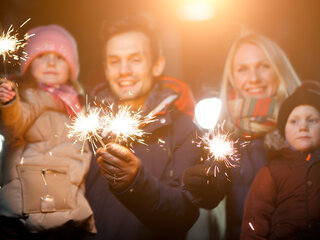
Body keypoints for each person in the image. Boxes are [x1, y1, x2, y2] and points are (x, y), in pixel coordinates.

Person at [84, 15, 201, 239]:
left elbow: (183, 214)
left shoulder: (183, 129)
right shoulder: (88, 125)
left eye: (135, 59)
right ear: (105, 68)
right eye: (114, 61)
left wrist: (136, 182)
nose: (124, 71)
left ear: (157, 65)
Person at [183, 31, 301, 239]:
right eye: (243, 69)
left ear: (279, 69)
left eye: (264, 66)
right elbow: (214, 199)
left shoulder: (309, 123)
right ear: (232, 78)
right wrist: (205, 190)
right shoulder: (223, 134)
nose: (254, 78)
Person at [0, 25, 95, 239]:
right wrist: (9, 103)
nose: (51, 63)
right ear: (30, 64)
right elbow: (13, 123)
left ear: (72, 67)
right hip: (23, 208)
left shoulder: (78, 105)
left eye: (60, 57)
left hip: (68, 208)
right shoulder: (26, 96)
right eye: (42, 55)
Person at [241, 81, 320, 240]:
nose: (303, 127)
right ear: (284, 129)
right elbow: (256, 217)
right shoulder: (272, 171)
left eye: (312, 120)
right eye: (294, 121)